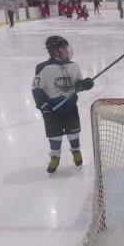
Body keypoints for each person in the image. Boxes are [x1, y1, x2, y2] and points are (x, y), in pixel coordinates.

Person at [31, 36, 94, 173]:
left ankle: (76, 151)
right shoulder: (43, 68)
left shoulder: (73, 66)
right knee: (55, 134)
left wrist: (85, 84)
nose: (67, 51)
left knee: (74, 132)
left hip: (70, 107)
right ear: (56, 51)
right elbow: (36, 89)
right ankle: (55, 156)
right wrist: (44, 107)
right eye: (64, 48)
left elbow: (77, 85)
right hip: (52, 110)